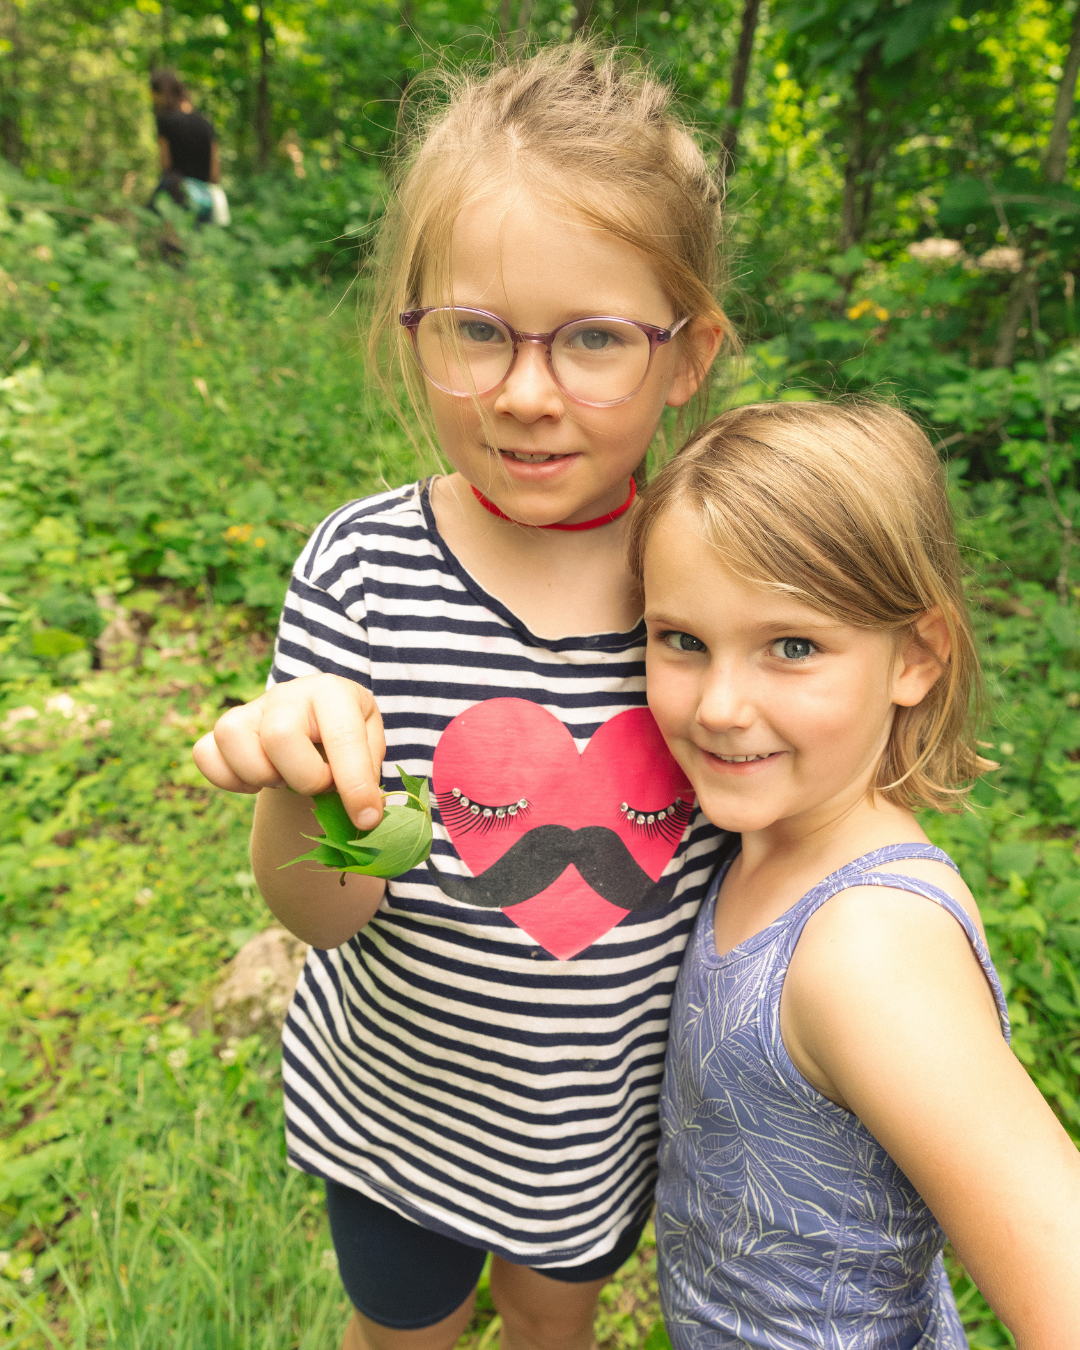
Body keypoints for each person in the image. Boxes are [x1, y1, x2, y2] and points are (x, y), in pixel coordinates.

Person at [192, 43, 733, 1350]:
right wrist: (302, 790)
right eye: (477, 332)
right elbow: (323, 914)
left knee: (555, 1322)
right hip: (393, 1118)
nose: (528, 392)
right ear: (413, 326)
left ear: (687, 354)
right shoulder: (363, 573)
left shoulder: (721, 578)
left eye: (595, 338)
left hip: (588, 1137)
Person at [629, 400, 1080, 1347]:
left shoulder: (868, 951)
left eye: (792, 647)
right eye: (682, 640)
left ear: (915, 654)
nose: (719, 706)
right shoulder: (762, 838)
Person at [149, 68, 221, 221]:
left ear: (160, 93)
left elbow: (165, 165)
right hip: (204, 198)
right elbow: (215, 174)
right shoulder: (206, 124)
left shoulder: (165, 122)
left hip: (176, 194)